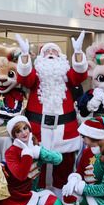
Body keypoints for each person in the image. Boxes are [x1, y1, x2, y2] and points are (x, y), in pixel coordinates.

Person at [15, 32, 88, 195]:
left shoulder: (67, 75)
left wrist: (77, 53)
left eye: (54, 52)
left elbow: (80, 75)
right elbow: (25, 79)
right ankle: (38, 195)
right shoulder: (36, 76)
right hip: (37, 127)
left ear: (61, 57)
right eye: (46, 52)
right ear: (40, 58)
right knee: (36, 163)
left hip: (64, 128)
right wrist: (25, 56)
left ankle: (62, 194)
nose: (50, 54)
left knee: (64, 163)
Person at [0, 116, 63, 205]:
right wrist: (27, 154)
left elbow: (58, 159)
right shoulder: (11, 152)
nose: (23, 133)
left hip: (32, 193)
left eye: (25, 128)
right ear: (14, 135)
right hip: (15, 199)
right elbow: (21, 175)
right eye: (18, 131)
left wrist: (39, 152)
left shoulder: (35, 146)